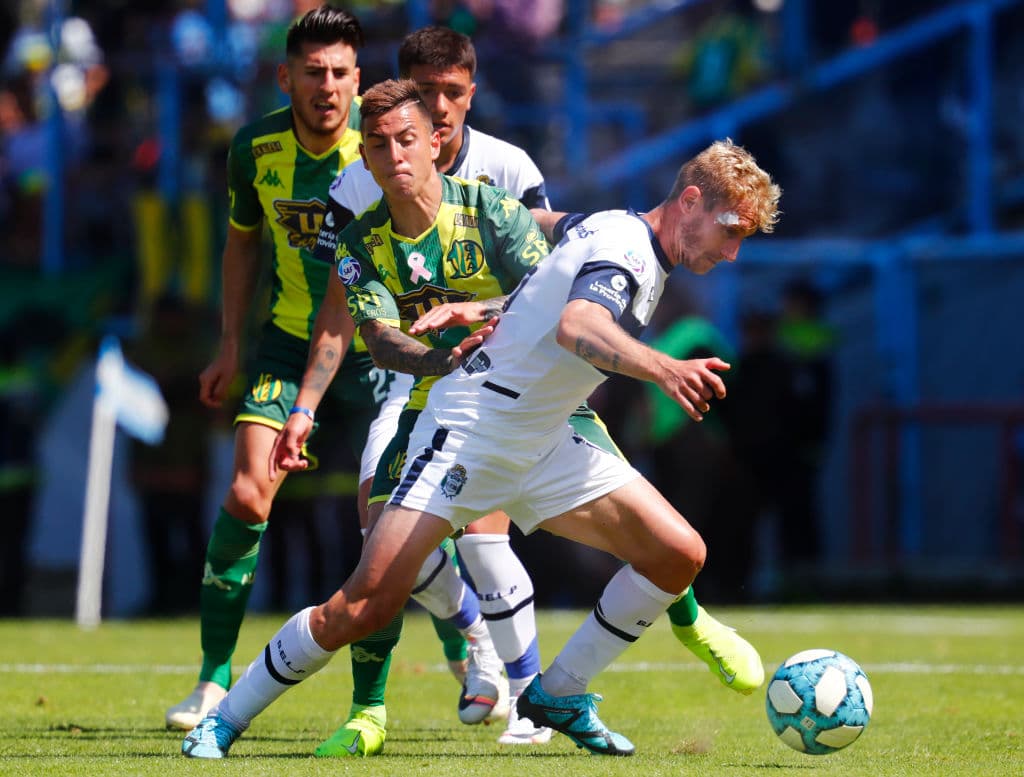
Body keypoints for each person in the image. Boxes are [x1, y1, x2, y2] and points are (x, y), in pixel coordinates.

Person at [179, 88, 780, 758]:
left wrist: (481, 306)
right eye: (731, 231)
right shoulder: (630, 251)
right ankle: (223, 718)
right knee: (363, 606)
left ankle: (559, 692)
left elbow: (549, 252)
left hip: (543, 438)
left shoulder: (610, 228)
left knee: (678, 553)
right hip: (472, 428)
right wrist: (665, 368)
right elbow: (578, 324)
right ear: (691, 202)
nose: (732, 253)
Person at [301, 26, 557, 753]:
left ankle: (526, 691)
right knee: (376, 530)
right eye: (428, 91)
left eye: (453, 92)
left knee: (482, 531)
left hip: (506, 385)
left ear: (472, 92)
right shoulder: (359, 180)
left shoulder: (510, 170)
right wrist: (305, 405)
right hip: (410, 379)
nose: (440, 108)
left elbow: (550, 281)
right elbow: (337, 314)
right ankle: (472, 633)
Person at [164, 5, 387, 731]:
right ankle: (211, 679)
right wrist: (231, 343)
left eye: (341, 73)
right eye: (314, 72)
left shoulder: (383, 148)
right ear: (285, 76)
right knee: (247, 492)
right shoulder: (253, 147)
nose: (328, 87)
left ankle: (475, 665)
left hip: (383, 348)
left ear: (360, 79)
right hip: (290, 344)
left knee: (409, 518)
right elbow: (241, 245)